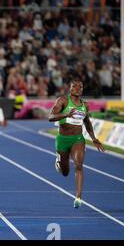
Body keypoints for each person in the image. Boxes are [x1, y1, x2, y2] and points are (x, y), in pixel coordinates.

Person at [48, 79, 105, 208]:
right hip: (63, 139)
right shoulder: (62, 101)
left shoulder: (85, 105)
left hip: (77, 139)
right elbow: (50, 117)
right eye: (75, 86)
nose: (78, 88)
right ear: (70, 88)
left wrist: (93, 138)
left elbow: (87, 122)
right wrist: (65, 114)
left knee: (78, 165)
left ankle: (78, 197)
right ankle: (59, 161)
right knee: (65, 172)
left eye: (81, 86)